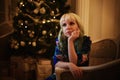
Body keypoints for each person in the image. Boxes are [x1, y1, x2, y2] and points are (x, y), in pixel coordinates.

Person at [46, 12, 91, 80]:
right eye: (64, 25)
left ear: (78, 26)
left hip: (78, 76)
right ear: (62, 30)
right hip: (61, 75)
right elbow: (56, 63)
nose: (68, 27)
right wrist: (69, 65)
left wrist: (70, 41)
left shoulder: (85, 41)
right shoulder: (60, 41)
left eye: (71, 23)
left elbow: (74, 62)